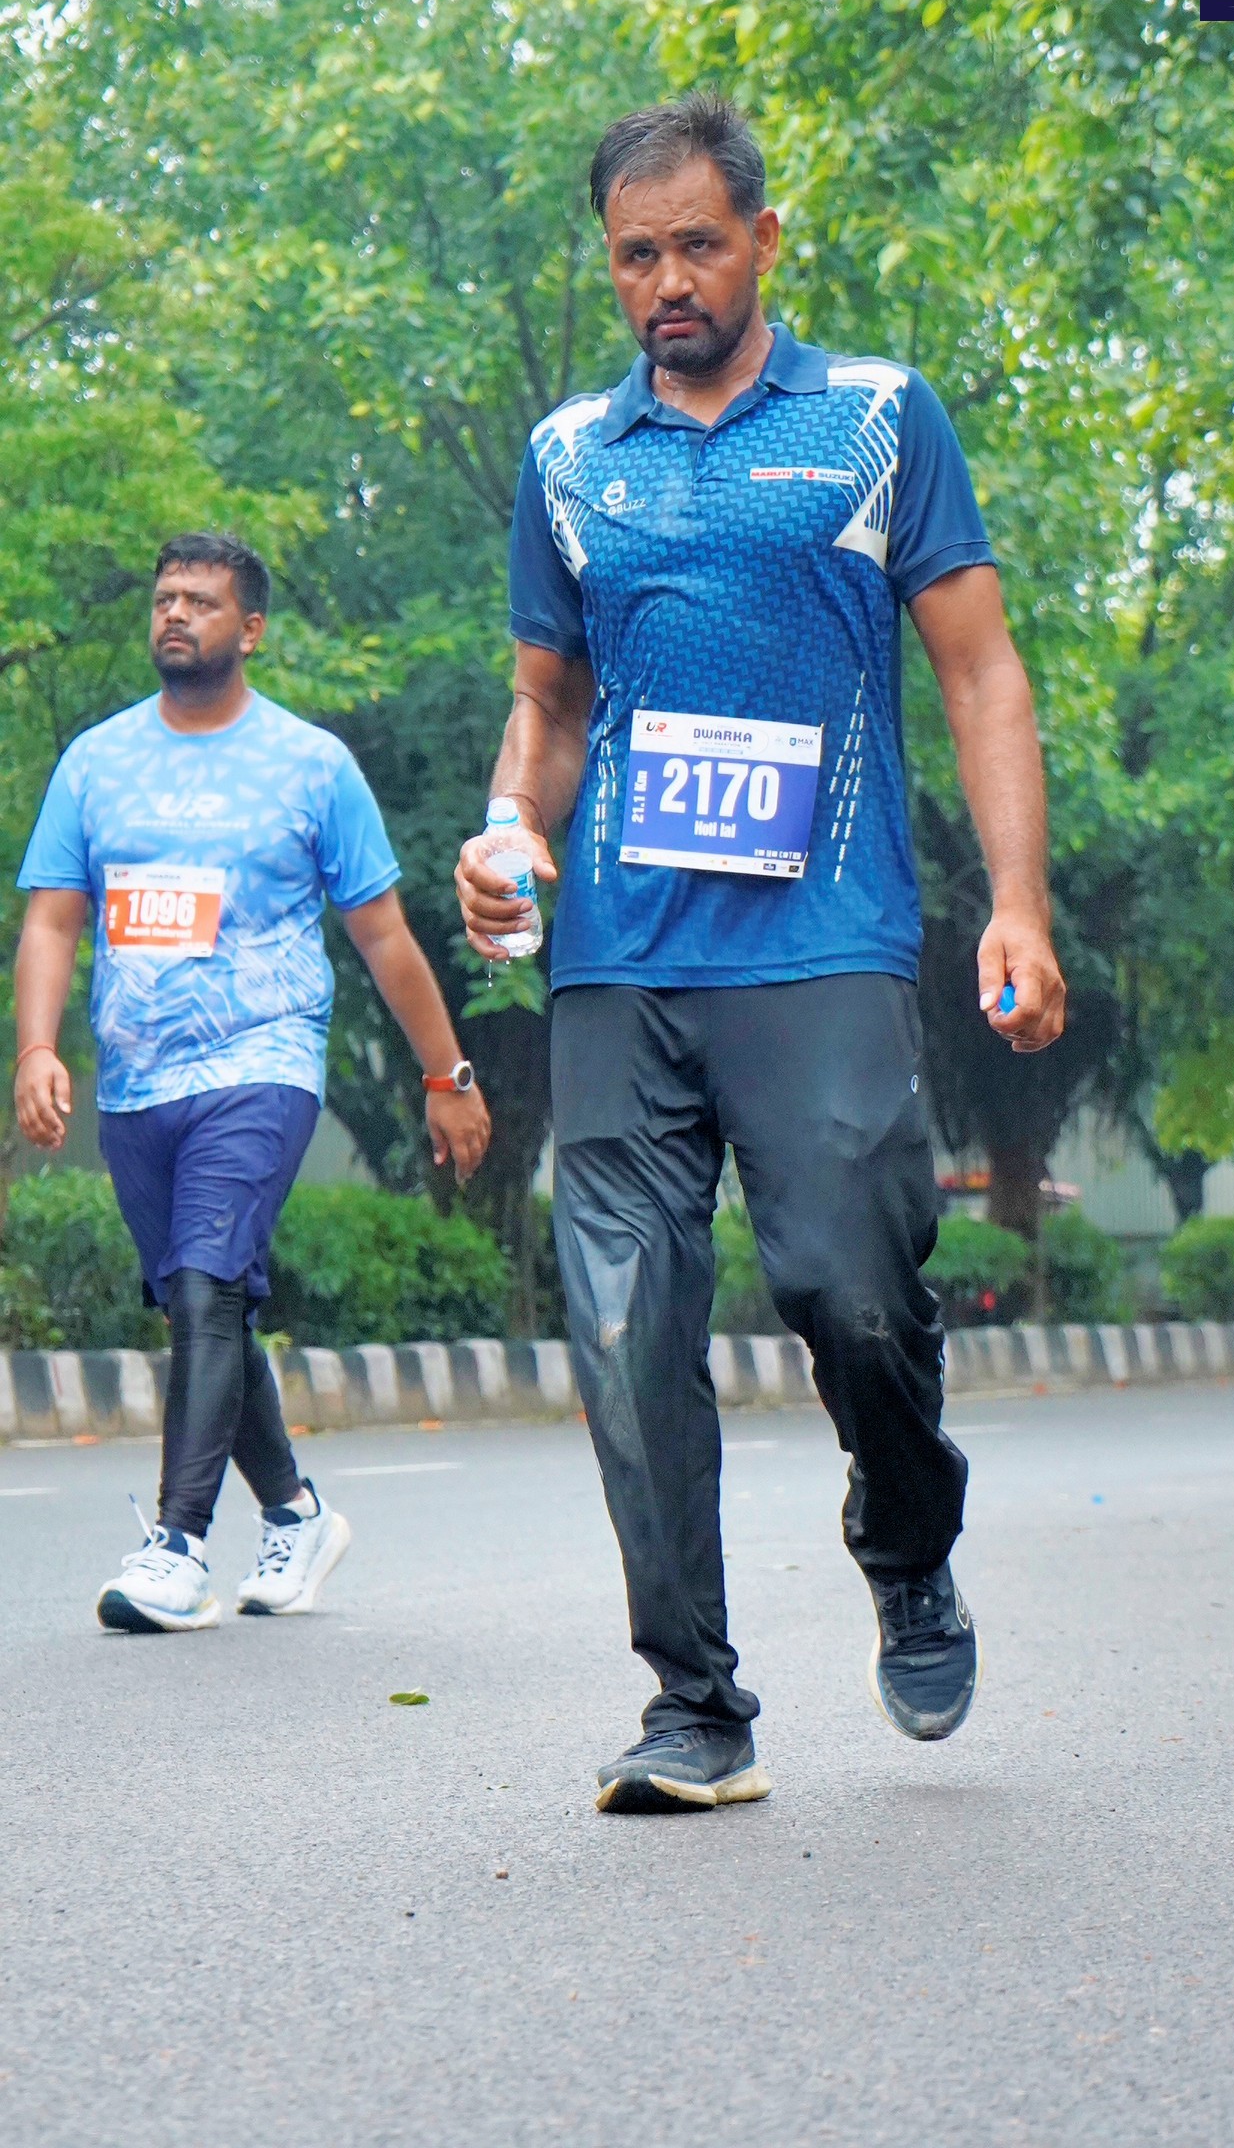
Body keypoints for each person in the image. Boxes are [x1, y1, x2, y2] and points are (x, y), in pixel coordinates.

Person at [456, 95, 1065, 1816]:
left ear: (765, 241)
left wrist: (1015, 902)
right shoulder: (569, 457)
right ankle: (695, 1705)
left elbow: (980, 671)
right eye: (635, 256)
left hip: (820, 940)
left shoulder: (877, 416)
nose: (667, 282)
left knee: (857, 1292)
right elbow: (548, 706)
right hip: (620, 955)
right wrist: (507, 833)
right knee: (625, 1325)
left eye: (698, 247)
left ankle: (907, 1538)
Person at [14, 531, 491, 1634]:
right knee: (206, 1304)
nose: (176, 614)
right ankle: (297, 1513)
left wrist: (447, 1071)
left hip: (262, 1062)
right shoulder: (94, 763)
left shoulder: (311, 765)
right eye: (165, 598)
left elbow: (382, 934)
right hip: (137, 1084)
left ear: (252, 629)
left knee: (205, 1288)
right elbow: (51, 920)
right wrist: (37, 1048)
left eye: (201, 600)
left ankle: (177, 1547)